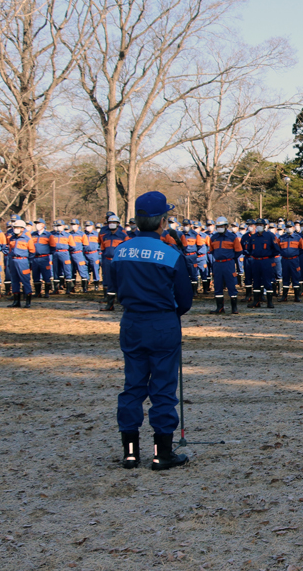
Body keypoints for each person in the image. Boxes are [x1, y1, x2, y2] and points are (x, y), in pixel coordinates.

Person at [110, 191, 192, 471]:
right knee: (163, 388)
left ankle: (130, 452)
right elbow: (185, 300)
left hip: (132, 321)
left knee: (132, 385)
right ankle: (162, 453)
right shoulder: (170, 253)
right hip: (162, 323)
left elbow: (113, 285)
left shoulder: (120, 250)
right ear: (162, 222)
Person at [209, 217, 243, 314]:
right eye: (218, 226)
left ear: (226, 226)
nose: (220, 228)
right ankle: (220, 307)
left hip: (228, 263)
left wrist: (230, 257)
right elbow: (211, 250)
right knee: (218, 285)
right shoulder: (213, 237)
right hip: (217, 264)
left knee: (231, 285)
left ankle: (234, 308)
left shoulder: (232, 237)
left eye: (222, 226)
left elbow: (239, 251)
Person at [243, 219, 279, 308]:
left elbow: (277, 249)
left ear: (264, 226)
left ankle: (269, 302)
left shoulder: (270, 236)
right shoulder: (253, 237)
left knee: (267, 280)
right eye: (257, 224)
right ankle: (256, 301)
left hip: (266, 261)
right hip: (255, 261)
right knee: (256, 281)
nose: (259, 226)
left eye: (261, 224)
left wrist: (269, 256)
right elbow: (250, 249)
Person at [100, 214, 129, 311]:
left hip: (119, 262)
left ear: (118, 224)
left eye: (114, 223)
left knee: (122, 282)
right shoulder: (105, 236)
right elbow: (103, 250)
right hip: (108, 261)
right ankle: (110, 304)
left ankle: (125, 304)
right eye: (110, 223)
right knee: (110, 283)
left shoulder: (123, 236)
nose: (112, 224)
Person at [6, 218, 35, 308]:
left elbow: (32, 251)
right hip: (13, 260)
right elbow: (10, 249)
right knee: (14, 281)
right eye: (14, 227)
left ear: (22, 229)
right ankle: (16, 301)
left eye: (17, 227)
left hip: (23, 261)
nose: (15, 229)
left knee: (25, 281)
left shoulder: (27, 239)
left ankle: (28, 301)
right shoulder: (12, 238)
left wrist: (28, 262)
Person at [277, 222, 303, 302]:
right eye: (287, 227)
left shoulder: (298, 237)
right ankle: (284, 296)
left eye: (290, 227)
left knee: (295, 277)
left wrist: (295, 254)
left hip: (294, 260)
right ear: (285, 228)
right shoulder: (282, 237)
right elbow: (277, 248)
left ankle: (296, 296)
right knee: (285, 277)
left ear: (293, 228)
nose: (289, 228)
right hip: (284, 260)